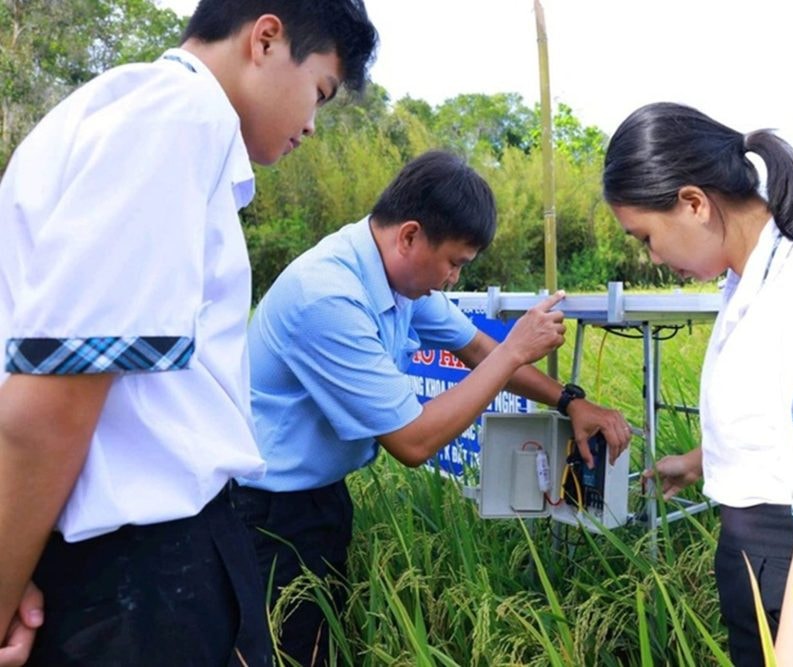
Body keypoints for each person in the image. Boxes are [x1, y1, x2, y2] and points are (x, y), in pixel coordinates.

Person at [0, 1, 378, 665]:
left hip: (120, 563)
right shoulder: (175, 119)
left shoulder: (122, 114)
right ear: (265, 39)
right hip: (138, 583)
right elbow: (53, 402)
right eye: (319, 91)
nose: (313, 126)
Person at [231, 149, 632, 665]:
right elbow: (413, 441)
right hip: (264, 512)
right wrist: (515, 348)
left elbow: (477, 350)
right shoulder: (327, 297)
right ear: (410, 236)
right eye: (454, 264)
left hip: (316, 496)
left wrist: (570, 401)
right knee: (280, 653)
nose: (452, 280)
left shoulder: (395, 276)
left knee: (319, 644)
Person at [602, 102, 793, 666]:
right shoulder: (750, 286)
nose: (651, 257)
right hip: (769, 575)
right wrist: (703, 460)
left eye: (645, 236)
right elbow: (786, 423)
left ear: (693, 203)